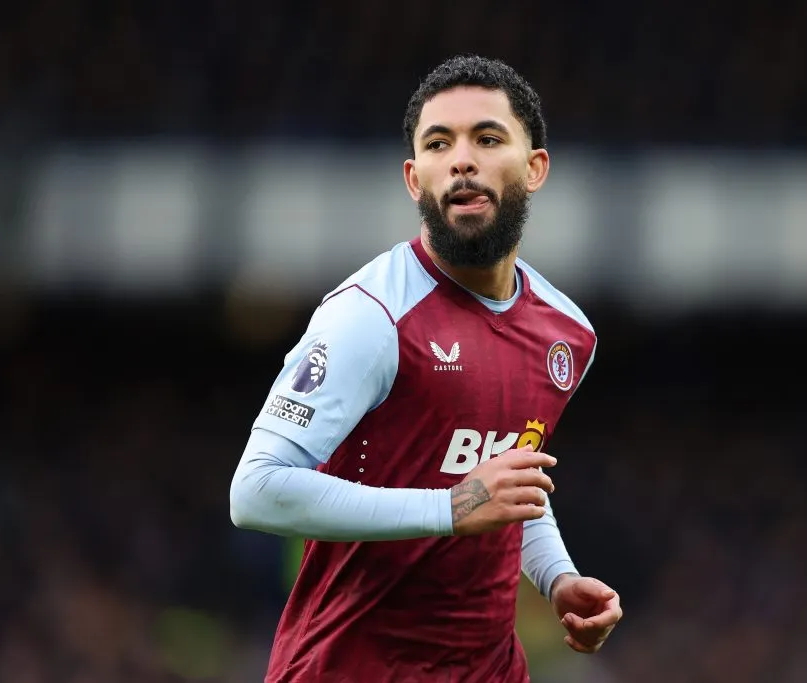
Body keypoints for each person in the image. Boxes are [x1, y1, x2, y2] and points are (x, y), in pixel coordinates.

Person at [229, 54, 622, 683]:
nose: (461, 159)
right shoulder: (371, 316)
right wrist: (450, 509)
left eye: (487, 138)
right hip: (349, 668)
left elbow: (505, 481)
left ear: (535, 166)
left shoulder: (565, 333)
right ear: (416, 179)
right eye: (439, 144)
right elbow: (255, 491)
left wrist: (557, 578)